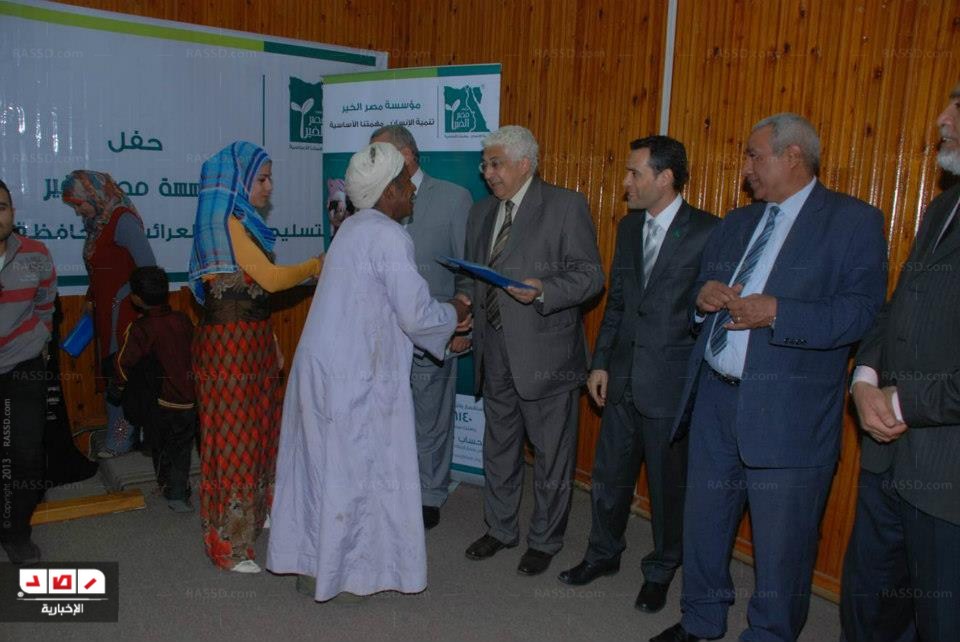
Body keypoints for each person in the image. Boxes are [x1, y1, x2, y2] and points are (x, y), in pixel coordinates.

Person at [652, 113, 887, 642]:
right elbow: (701, 288)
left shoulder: (853, 222)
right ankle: (701, 619)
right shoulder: (738, 222)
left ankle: (770, 633)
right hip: (715, 398)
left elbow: (862, 313)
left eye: (754, 156)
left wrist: (779, 312)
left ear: (793, 156)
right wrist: (702, 299)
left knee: (783, 544)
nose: (745, 167)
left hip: (789, 414)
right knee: (705, 522)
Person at [266, 142, 471, 600]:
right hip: (354, 377)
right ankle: (349, 571)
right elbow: (417, 316)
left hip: (322, 369)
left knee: (322, 468)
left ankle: (316, 563)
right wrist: (456, 311)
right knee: (357, 470)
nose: (413, 191)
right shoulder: (388, 236)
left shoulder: (351, 229)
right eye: (405, 184)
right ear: (387, 191)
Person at [558, 136, 718, 614]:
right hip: (622, 377)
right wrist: (600, 362)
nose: (625, 182)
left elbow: (711, 315)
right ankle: (603, 554)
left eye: (635, 173)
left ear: (664, 178)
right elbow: (619, 302)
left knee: (668, 489)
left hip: (670, 384)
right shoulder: (629, 228)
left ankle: (661, 570)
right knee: (609, 476)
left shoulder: (709, 231)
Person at [840, 83, 960, 642]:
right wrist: (864, 379)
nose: (942, 118)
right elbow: (898, 307)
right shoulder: (942, 207)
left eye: (959, 106)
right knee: (868, 608)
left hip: (946, 477)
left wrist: (904, 402)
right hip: (887, 453)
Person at [458, 125, 604, 576]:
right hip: (493, 348)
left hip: (547, 356)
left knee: (551, 454)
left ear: (525, 164)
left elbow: (590, 276)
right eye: (485, 164)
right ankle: (500, 528)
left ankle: (545, 539)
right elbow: (470, 274)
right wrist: (462, 303)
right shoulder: (481, 212)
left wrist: (543, 289)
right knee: (498, 446)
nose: (486, 173)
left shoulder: (565, 206)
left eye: (495, 164)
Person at [188, 141, 322, 573]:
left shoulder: (242, 225)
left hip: (252, 341)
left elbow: (252, 294)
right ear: (237, 181)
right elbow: (272, 279)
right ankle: (229, 544)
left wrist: (272, 341)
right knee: (235, 442)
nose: (269, 187)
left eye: (269, 178)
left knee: (261, 431)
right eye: (262, 179)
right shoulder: (225, 224)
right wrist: (316, 264)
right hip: (228, 351)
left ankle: (254, 515)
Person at [370, 125, 474, 529]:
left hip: (434, 329)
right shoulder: (372, 200)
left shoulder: (453, 198)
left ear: (407, 155)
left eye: (379, 153)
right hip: (381, 333)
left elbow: (467, 270)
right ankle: (391, 489)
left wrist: (464, 327)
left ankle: (430, 494)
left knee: (431, 417)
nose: (372, 162)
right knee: (384, 415)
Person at [61, 170, 156, 458]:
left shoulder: (122, 220)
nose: (78, 211)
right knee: (112, 371)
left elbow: (148, 268)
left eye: (80, 204)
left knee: (120, 374)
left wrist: (120, 297)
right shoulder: (98, 226)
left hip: (124, 313)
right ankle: (125, 433)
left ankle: (121, 437)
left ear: (95, 195)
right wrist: (92, 297)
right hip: (105, 312)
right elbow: (100, 272)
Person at [0, 178, 56, 565]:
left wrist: (41, 336)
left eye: (1, 207)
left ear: (12, 212)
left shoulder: (35, 253)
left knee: (25, 455)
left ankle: (16, 532)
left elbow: (46, 300)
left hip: (22, 366)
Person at [112, 266, 197, 513]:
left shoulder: (140, 328)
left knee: (161, 446)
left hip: (161, 401)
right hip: (191, 398)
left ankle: (169, 486)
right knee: (182, 446)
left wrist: (117, 388)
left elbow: (124, 363)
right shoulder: (183, 320)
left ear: (136, 298)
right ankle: (178, 491)